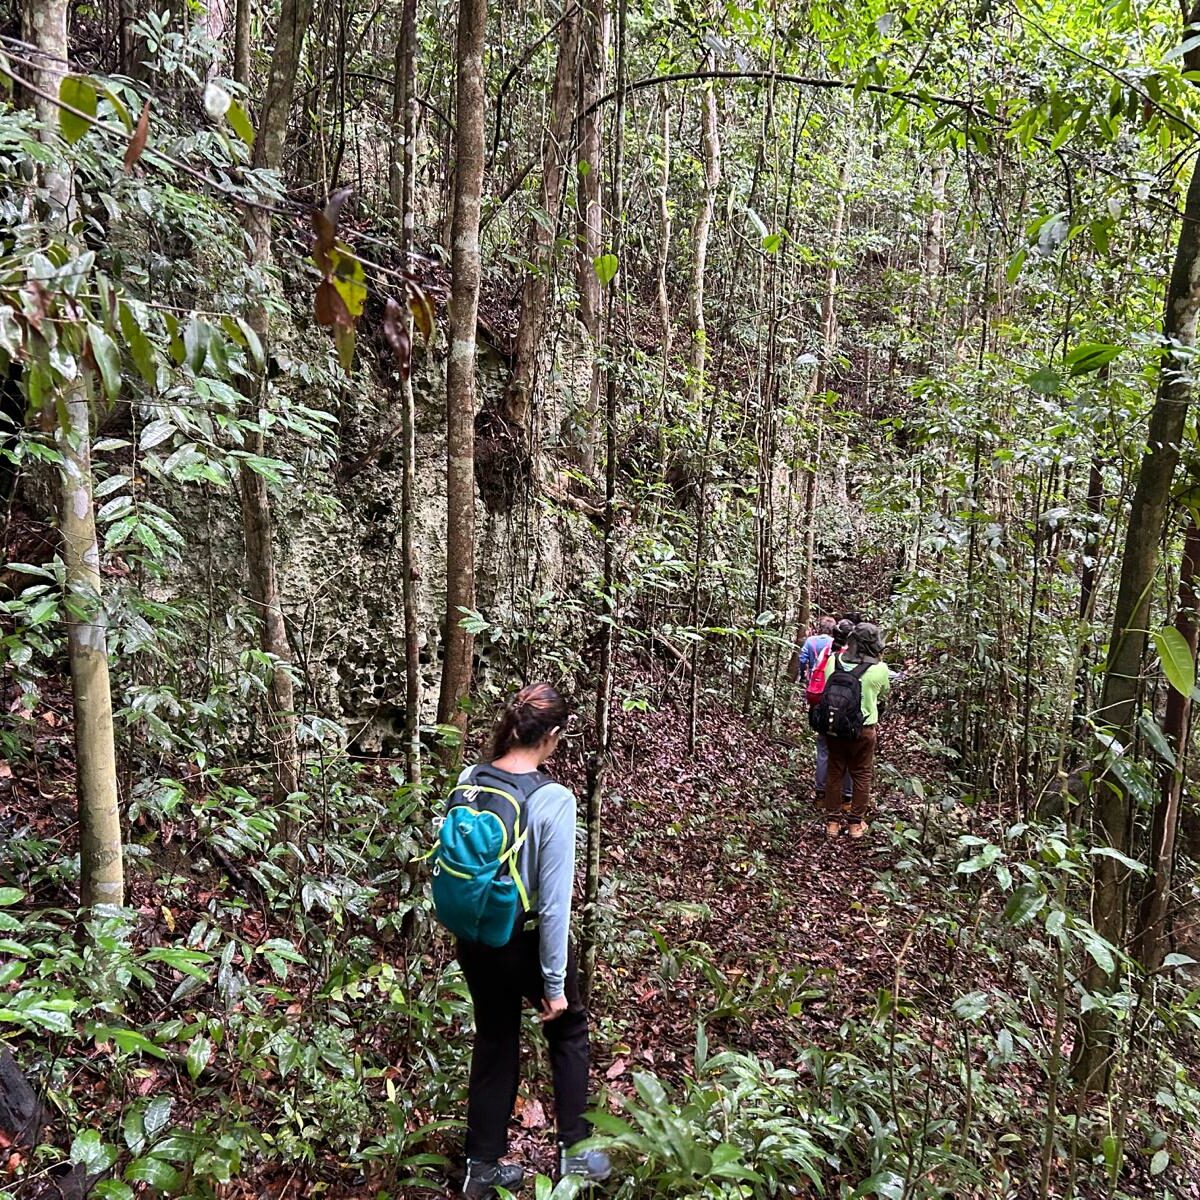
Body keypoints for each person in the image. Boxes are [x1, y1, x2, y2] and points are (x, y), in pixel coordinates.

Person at [454, 683, 611, 1199]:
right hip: (522, 942)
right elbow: (555, 905)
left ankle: (481, 1168)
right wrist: (554, 981)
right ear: (554, 736)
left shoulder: (471, 779)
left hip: (476, 938)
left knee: (495, 1039)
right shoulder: (552, 799)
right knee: (568, 1030)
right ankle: (575, 1151)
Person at [821, 622, 890, 839]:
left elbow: (826, 688)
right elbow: (884, 693)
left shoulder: (834, 660)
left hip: (835, 727)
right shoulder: (879, 669)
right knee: (861, 774)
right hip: (864, 729)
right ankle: (854, 825)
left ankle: (832, 823)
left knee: (835, 771)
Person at [812, 619, 854, 806]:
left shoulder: (827, 653)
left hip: (823, 708)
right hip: (845, 713)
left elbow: (815, 674)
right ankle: (846, 797)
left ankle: (821, 794)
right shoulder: (852, 657)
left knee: (823, 751)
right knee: (847, 754)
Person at [794, 615, 837, 685]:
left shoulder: (811, 640)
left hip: (813, 677)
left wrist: (803, 676)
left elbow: (802, 660)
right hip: (828, 678)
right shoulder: (834, 642)